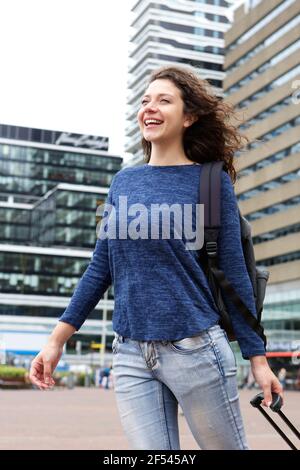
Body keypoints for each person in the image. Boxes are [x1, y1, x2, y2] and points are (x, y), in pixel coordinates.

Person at [29, 65, 283, 450]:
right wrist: (56, 340)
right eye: (145, 100)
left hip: (196, 349)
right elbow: (102, 266)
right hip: (131, 352)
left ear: (189, 116)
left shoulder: (211, 182)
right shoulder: (123, 182)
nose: (150, 107)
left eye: (164, 100)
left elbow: (235, 275)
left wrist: (258, 360)